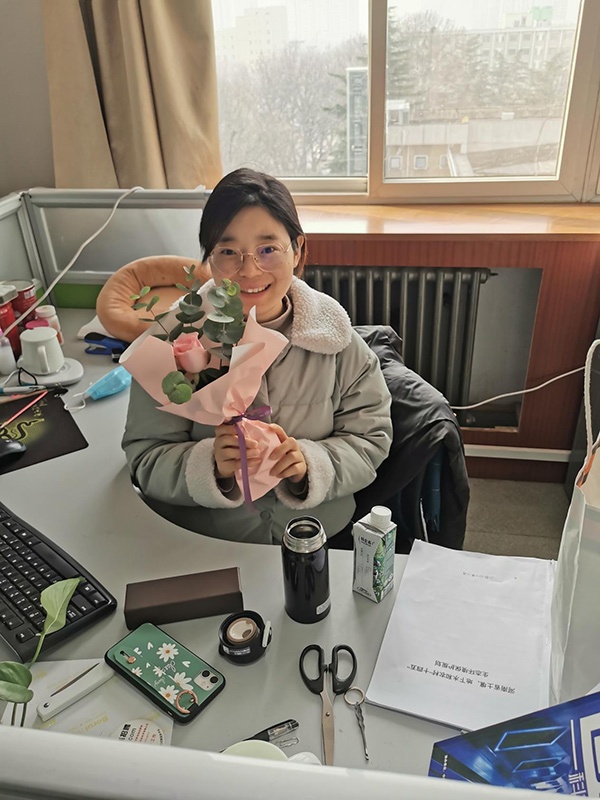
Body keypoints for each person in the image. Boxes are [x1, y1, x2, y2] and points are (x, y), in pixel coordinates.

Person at [122, 168, 392, 544]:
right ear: (209, 258)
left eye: (268, 249)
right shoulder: (173, 339)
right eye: (228, 252)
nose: (249, 270)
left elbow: (370, 440)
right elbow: (146, 456)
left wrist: (310, 463)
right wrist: (210, 465)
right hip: (207, 539)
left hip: (314, 534)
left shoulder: (339, 344)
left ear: (297, 250)